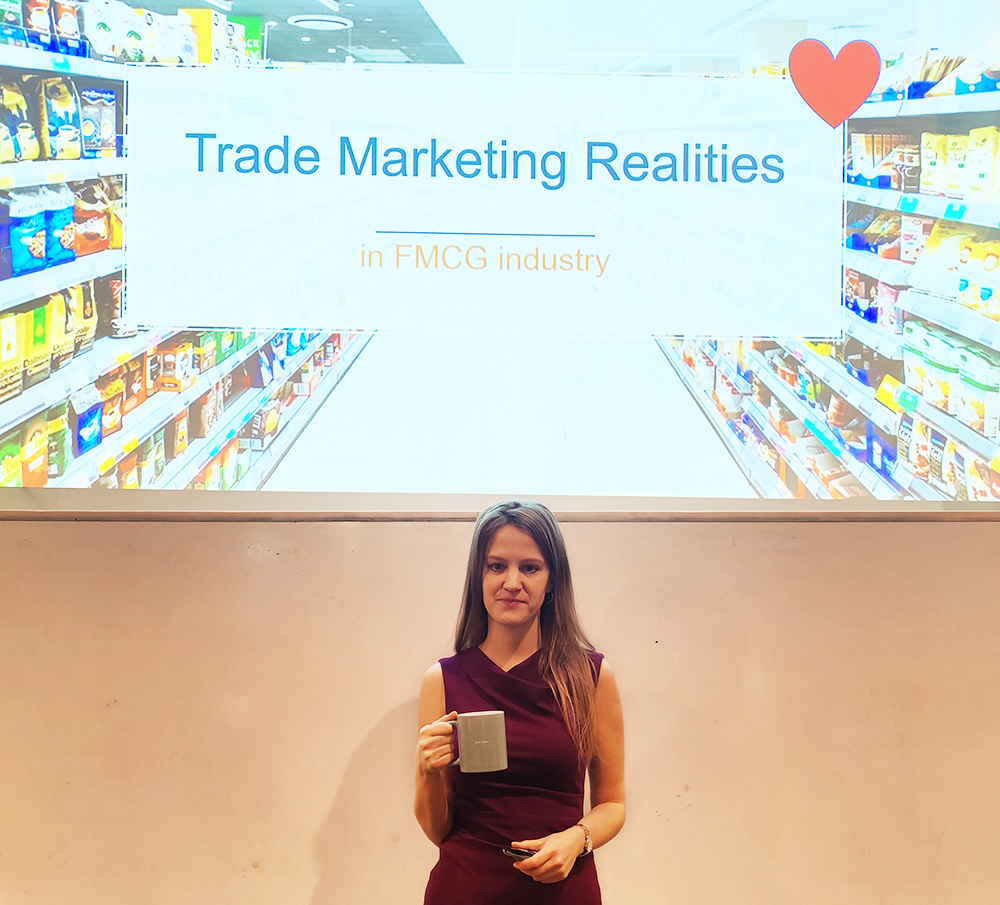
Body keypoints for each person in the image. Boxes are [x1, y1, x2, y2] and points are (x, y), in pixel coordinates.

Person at [415, 500, 625, 904]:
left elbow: (613, 803)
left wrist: (576, 840)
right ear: (478, 576)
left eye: (529, 567)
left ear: (552, 582)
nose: (512, 582)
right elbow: (438, 830)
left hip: (563, 889)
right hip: (464, 888)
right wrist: (425, 771)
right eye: (496, 566)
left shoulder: (591, 676)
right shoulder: (442, 679)